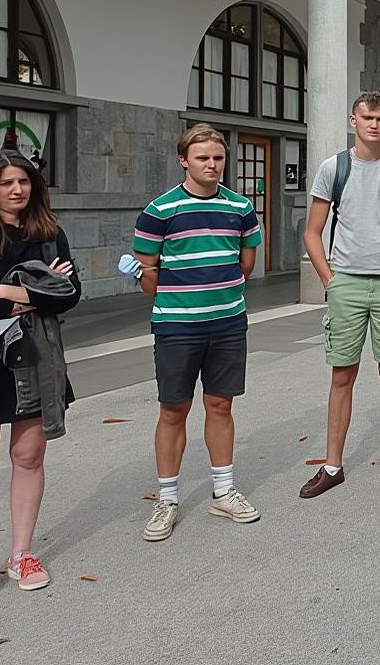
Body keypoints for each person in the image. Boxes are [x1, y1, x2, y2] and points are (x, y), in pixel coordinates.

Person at [128, 125, 262, 542]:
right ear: (183, 160)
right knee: (173, 409)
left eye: (218, 158)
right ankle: (167, 497)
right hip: (176, 327)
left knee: (221, 405)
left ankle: (223, 491)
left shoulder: (241, 207)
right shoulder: (159, 211)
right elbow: (147, 277)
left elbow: (246, 265)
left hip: (227, 323)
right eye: (202, 157)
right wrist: (166, 287)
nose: (211, 165)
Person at [299, 92, 380, 498]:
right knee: (343, 375)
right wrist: (329, 280)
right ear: (352, 120)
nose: (373, 124)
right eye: (367, 117)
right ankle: (332, 465)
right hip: (347, 284)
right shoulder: (333, 168)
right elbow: (312, 231)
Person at [0, 150, 79, 593]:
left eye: (23, 181)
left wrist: (5, 292)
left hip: (36, 352)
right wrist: (21, 289)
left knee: (28, 456)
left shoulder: (48, 233)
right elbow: (49, 289)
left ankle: (21, 555)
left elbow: (68, 293)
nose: (17, 190)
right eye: (6, 182)